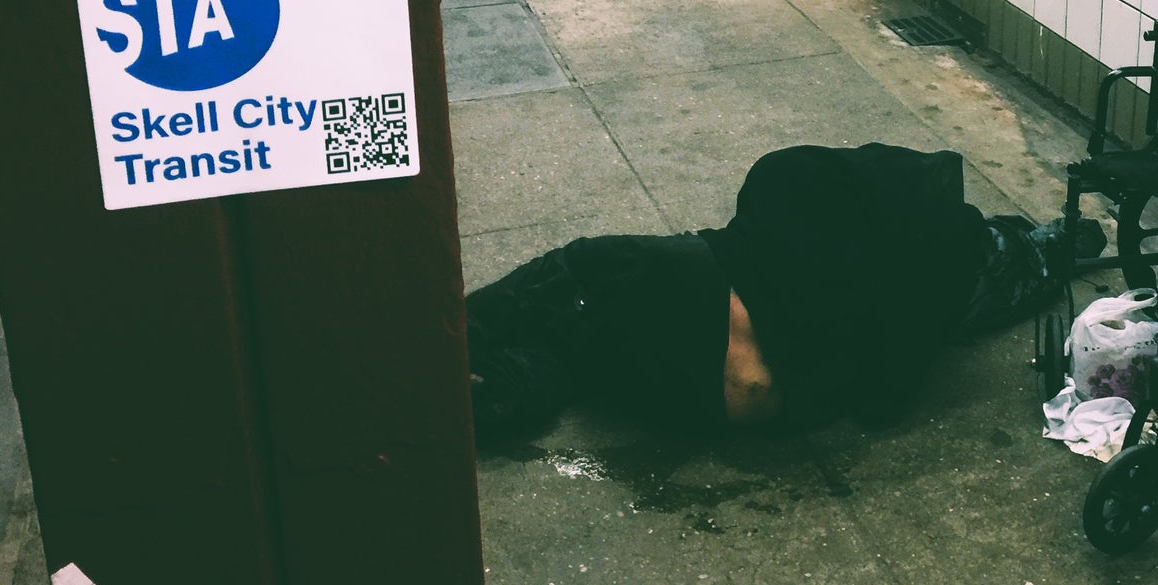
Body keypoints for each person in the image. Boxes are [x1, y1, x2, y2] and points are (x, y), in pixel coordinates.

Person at [464, 144, 1085, 443]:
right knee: (589, 346)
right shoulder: (925, 275)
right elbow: (883, 404)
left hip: (713, 310)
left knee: (582, 269)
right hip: (765, 404)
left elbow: (738, 247)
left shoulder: (796, 176)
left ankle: (461, 336)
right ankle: (502, 384)